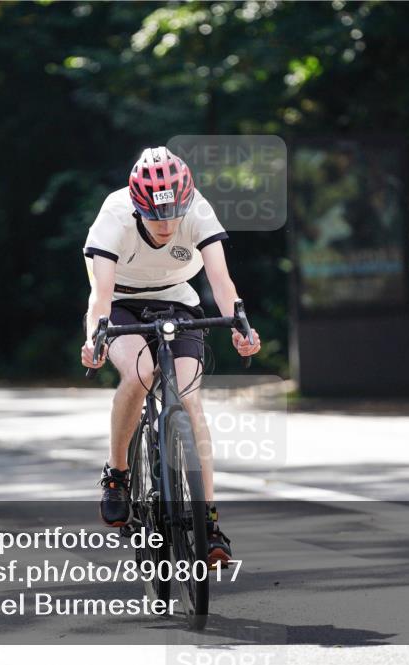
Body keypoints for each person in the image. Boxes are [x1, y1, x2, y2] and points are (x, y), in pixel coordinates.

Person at [80, 146, 261, 567]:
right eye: (155, 216)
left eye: (173, 215)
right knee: (140, 375)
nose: (165, 225)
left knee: (190, 399)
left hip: (179, 302)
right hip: (122, 303)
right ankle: (118, 475)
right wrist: (95, 339)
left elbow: (221, 282)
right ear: (137, 205)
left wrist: (241, 326)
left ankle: (209, 522)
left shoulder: (198, 209)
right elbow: (100, 297)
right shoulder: (114, 213)